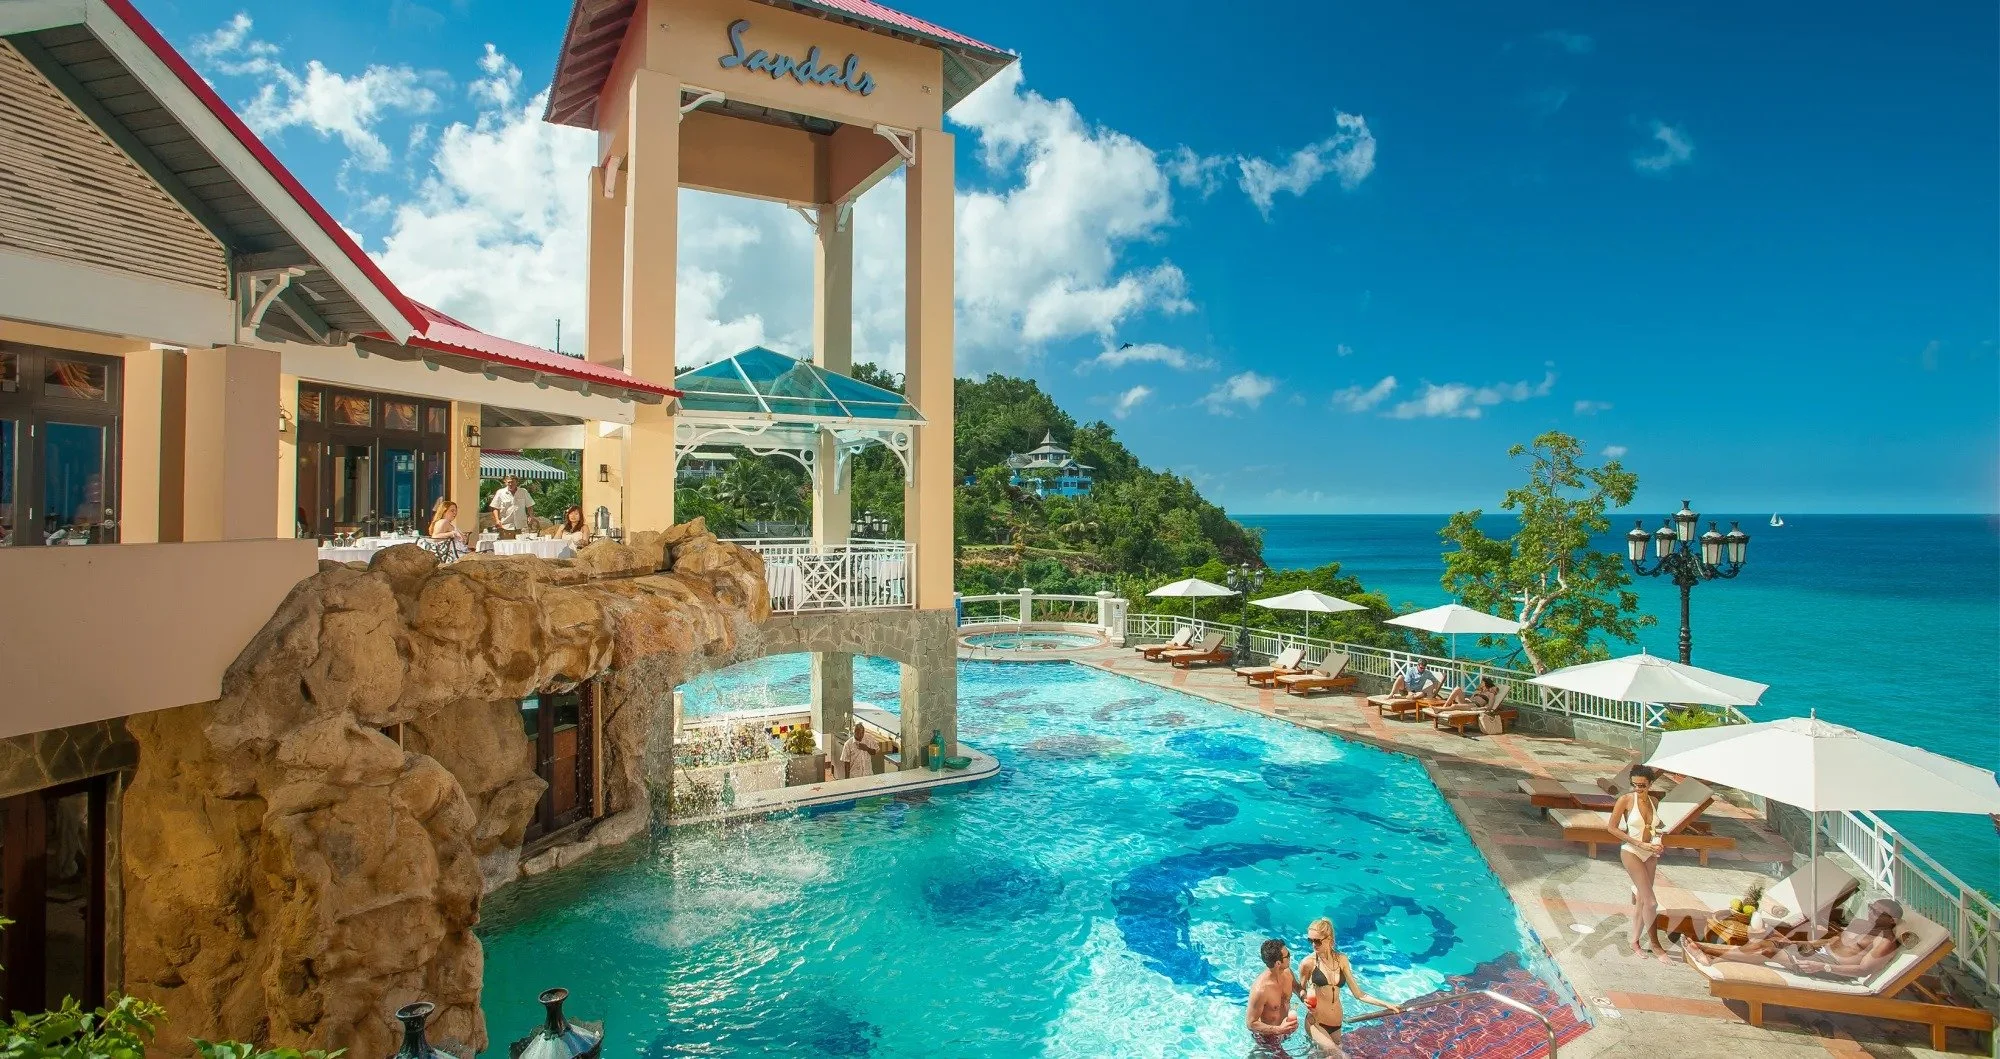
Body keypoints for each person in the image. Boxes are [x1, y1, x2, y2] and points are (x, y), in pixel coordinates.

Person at [1689, 899, 1906, 980]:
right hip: (1817, 954)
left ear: (1893, 920)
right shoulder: (1859, 923)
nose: (1872, 914)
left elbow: (1862, 969)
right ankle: (1712, 958)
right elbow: (1832, 942)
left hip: (1829, 968)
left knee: (1768, 950)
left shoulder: (1885, 942)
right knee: (1768, 943)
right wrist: (1805, 944)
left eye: (1878, 913)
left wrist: (1822, 966)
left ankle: (1705, 949)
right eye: (1871, 908)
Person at [1296, 919, 1399, 1056]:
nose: (1314, 945)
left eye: (1318, 941)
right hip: (1316, 1022)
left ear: (1329, 938)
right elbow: (1300, 989)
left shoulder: (1342, 960)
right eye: (1310, 941)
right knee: (1341, 1056)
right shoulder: (1307, 963)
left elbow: (1359, 994)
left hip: (1336, 1025)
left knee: (1320, 1055)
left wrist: (1386, 1004)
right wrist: (1305, 1000)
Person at [1614, 766, 1674, 961]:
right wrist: (1638, 843)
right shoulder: (1625, 800)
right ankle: (1656, 945)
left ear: (1650, 784)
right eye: (1635, 785)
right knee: (1651, 902)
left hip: (1650, 854)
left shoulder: (1654, 801)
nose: (1638, 789)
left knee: (1642, 899)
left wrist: (1658, 842)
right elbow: (1611, 828)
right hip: (1631, 851)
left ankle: (1634, 941)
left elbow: (1657, 828)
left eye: (1642, 785)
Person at [1246, 938, 1300, 1055]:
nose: (1290, 957)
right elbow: (1251, 1023)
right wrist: (1279, 1030)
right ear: (1278, 963)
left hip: (1285, 1032)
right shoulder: (1261, 990)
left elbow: (1296, 987)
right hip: (1268, 1038)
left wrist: (1304, 997)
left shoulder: (1288, 973)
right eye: (1288, 955)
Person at [488, 474, 533, 540]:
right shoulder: (500, 492)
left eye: (513, 482)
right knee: (507, 546)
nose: (510, 484)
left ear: (517, 482)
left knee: (522, 546)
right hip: (506, 525)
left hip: (521, 525)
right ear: (505, 482)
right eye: (509, 482)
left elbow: (530, 505)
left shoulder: (523, 492)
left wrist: (531, 516)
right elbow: (495, 507)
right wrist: (497, 520)